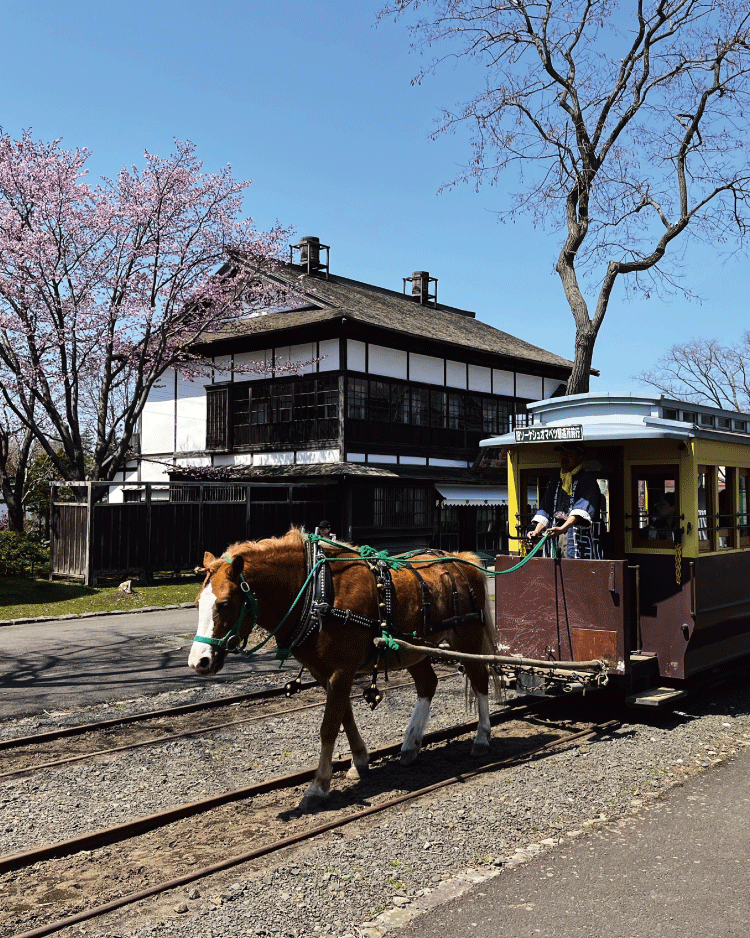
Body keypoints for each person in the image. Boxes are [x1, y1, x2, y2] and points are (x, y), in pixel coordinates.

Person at [528, 443, 602, 559]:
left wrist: (563, 529)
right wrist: (536, 531)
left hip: (575, 535)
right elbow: (545, 509)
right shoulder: (556, 481)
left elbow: (580, 510)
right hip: (555, 532)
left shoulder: (587, 481)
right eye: (563, 455)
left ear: (580, 457)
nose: (564, 458)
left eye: (569, 454)